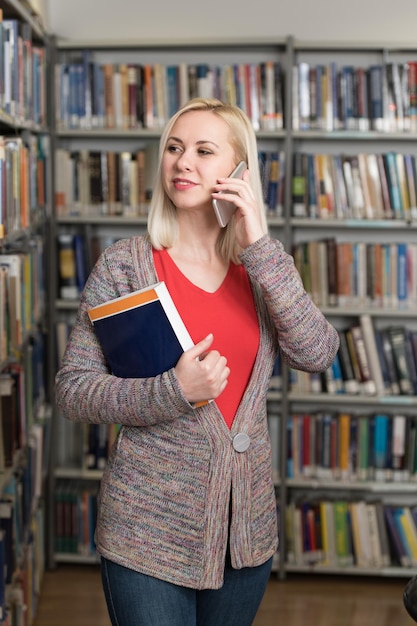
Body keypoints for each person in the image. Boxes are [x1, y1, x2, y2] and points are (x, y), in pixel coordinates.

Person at [55, 97, 339, 626]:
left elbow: (317, 352)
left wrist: (259, 243)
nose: (182, 162)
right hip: (147, 534)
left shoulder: (263, 271)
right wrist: (172, 390)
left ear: (238, 171)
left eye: (204, 150)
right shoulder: (126, 265)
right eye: (174, 148)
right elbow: (73, 390)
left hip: (244, 535)